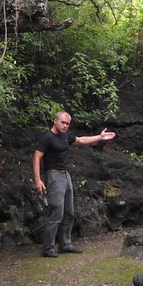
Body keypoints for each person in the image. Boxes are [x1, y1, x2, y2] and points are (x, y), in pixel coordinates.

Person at [33, 110, 116, 258]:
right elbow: (37, 158)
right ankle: (48, 248)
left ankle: (65, 244)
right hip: (53, 175)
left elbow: (81, 140)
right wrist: (38, 180)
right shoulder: (48, 138)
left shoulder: (65, 136)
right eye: (63, 122)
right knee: (56, 212)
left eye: (67, 124)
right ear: (55, 121)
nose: (65, 126)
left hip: (66, 175)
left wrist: (100, 137)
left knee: (69, 212)